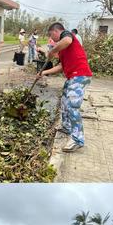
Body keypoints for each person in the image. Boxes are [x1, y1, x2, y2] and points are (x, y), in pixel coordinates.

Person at [35, 22, 93, 153]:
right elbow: (61, 67)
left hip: (80, 76)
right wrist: (43, 72)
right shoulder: (62, 50)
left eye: (51, 35)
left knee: (72, 105)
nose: (52, 39)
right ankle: (66, 126)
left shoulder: (67, 35)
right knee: (64, 101)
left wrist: (52, 50)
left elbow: (66, 40)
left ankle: (77, 139)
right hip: (72, 77)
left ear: (56, 32)